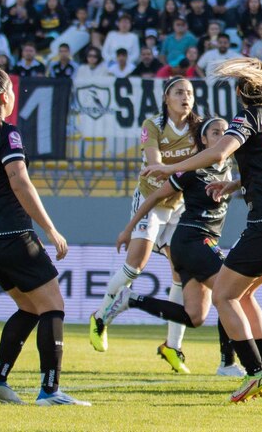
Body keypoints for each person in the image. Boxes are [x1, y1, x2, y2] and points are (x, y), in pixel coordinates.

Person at [143, 58, 262, 404]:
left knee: (223, 295)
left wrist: (168, 166)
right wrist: (235, 183)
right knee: (245, 293)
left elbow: (219, 151)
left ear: (240, 93)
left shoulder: (247, 117)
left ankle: (254, 373)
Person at [0, 68, 89, 406]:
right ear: (5, 96)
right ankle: (50, 391)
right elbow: (20, 183)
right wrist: (50, 229)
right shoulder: (6, 134)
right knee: (52, 305)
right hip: (11, 231)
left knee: (29, 306)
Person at [105, 118, 246, 377]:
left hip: (201, 243)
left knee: (195, 316)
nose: (222, 136)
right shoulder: (194, 168)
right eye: (215, 132)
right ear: (204, 140)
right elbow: (156, 196)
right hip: (191, 241)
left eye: (226, 132)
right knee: (230, 293)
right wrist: (128, 229)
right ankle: (227, 363)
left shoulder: (229, 168)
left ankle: (130, 299)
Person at [88, 78, 201, 374]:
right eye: (179, 92)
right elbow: (154, 165)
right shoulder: (152, 126)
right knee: (135, 265)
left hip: (179, 205)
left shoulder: (199, 127)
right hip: (151, 199)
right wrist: (185, 168)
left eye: (189, 93)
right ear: (167, 98)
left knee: (181, 271)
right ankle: (100, 317)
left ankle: (173, 346)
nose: (185, 97)